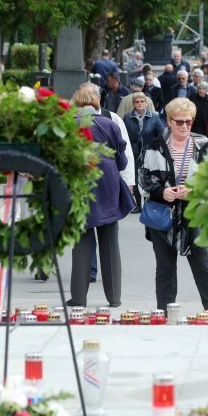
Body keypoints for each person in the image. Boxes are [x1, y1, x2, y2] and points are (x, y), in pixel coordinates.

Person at [139, 98, 208, 312]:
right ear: (169, 121)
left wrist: (196, 191)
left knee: (203, 267)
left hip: (195, 213)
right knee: (165, 269)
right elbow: (144, 178)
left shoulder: (203, 144)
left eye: (189, 121)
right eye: (179, 122)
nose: (185, 126)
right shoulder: (155, 146)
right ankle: (166, 312)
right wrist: (163, 192)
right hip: (163, 214)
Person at [67, 88, 134, 307]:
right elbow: (122, 162)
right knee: (110, 243)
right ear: (96, 104)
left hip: (79, 187)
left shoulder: (69, 126)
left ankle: (78, 298)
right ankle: (114, 298)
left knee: (81, 242)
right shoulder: (110, 125)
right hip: (108, 187)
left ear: (76, 104)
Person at [124, 92, 166, 212]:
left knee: (150, 178)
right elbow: (124, 135)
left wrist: (157, 148)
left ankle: (150, 202)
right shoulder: (127, 117)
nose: (140, 103)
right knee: (136, 178)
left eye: (142, 101)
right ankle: (138, 205)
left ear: (146, 102)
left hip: (150, 151)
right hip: (134, 152)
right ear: (133, 104)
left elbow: (161, 134)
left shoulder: (154, 116)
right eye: (137, 102)